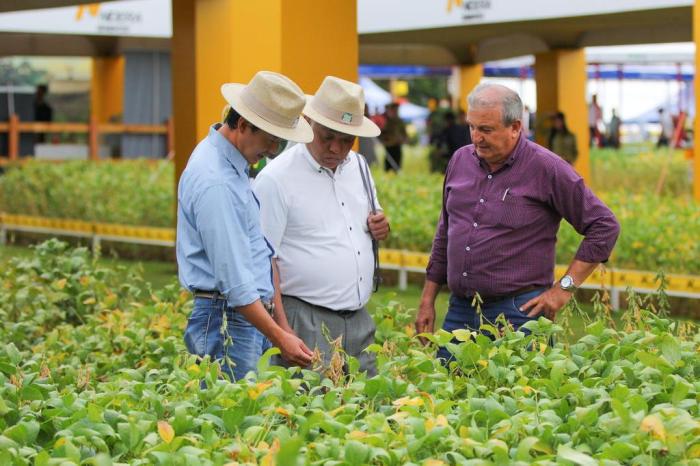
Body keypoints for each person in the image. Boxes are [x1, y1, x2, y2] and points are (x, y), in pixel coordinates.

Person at [414, 83, 620, 360]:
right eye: (472, 127)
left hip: (519, 313)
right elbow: (446, 232)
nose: (476, 138)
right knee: (448, 395)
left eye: (486, 130)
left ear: (515, 127)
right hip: (460, 310)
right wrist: (428, 299)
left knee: (518, 397)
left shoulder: (547, 168)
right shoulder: (459, 161)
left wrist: (563, 289)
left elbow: (604, 226)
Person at [177, 71, 315, 381]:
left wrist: (280, 326)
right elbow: (236, 286)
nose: (273, 151)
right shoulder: (218, 182)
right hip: (228, 318)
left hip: (239, 316)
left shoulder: (230, 163)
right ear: (242, 125)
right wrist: (281, 337)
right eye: (270, 140)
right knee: (235, 419)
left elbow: (257, 253)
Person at [253, 76, 390, 376]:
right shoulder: (277, 178)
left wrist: (379, 226)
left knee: (368, 408)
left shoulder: (360, 167)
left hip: (358, 319)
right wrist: (283, 331)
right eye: (327, 137)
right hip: (305, 318)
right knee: (312, 412)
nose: (336, 148)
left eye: (346, 140)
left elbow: (366, 223)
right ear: (308, 122)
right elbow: (265, 260)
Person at [379, 102, 407, 172]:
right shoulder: (386, 121)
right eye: (393, 110)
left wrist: (402, 139)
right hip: (389, 146)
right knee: (388, 167)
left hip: (397, 146)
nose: (395, 111)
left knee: (397, 167)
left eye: (396, 110)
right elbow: (381, 134)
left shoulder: (400, 121)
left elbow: (405, 135)